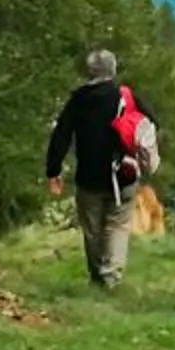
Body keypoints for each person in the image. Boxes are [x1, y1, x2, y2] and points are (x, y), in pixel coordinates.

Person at [45, 48, 139, 288]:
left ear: (89, 72)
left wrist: (53, 171)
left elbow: (61, 135)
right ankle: (112, 275)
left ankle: (98, 276)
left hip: (89, 178)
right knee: (117, 225)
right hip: (123, 175)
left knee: (92, 229)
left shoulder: (78, 101)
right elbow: (152, 123)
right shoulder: (125, 96)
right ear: (113, 69)